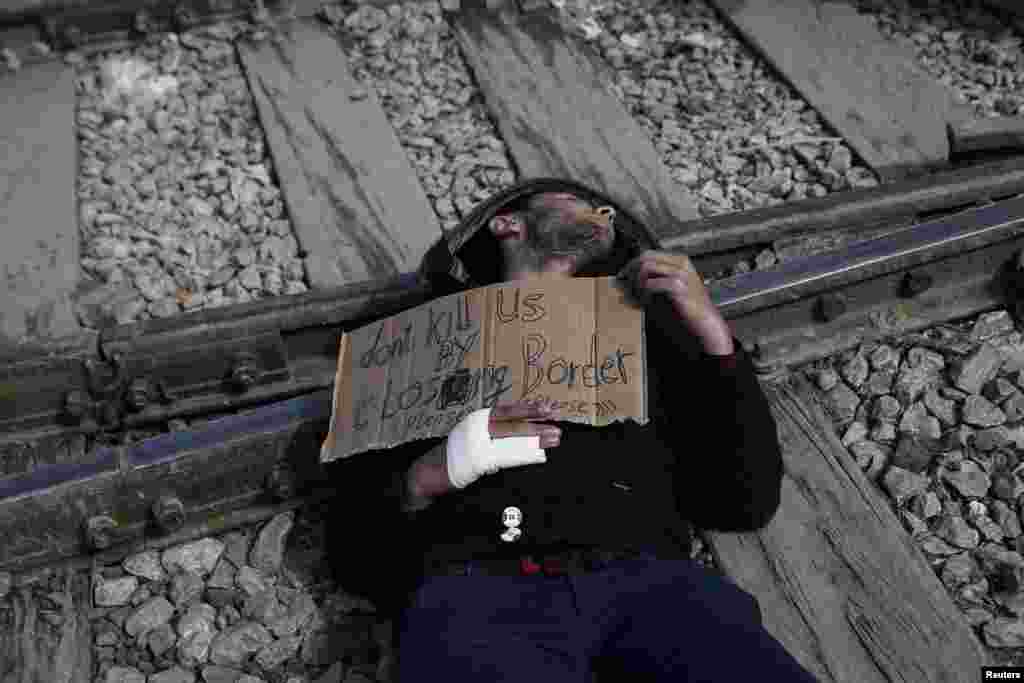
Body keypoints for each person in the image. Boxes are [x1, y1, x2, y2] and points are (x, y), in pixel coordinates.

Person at [326, 178, 820, 683]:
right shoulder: (417, 334)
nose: (601, 210)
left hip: (652, 584)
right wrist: (429, 475)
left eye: (604, 209)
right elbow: (354, 557)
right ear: (507, 223)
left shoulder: (652, 330)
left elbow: (744, 503)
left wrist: (718, 346)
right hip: (480, 588)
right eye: (577, 201)